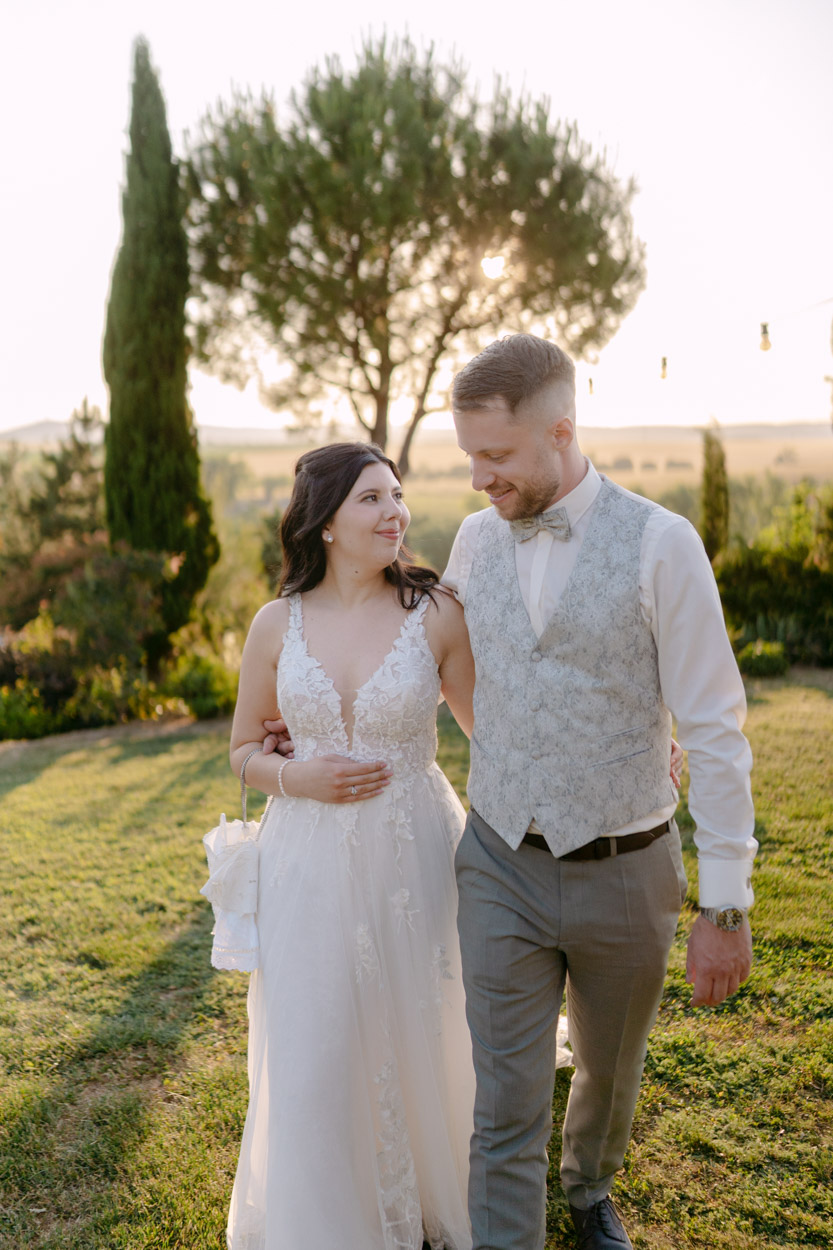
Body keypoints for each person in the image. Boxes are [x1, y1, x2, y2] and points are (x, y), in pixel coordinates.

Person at [443, 333, 756, 1250]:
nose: (478, 479)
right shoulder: (471, 539)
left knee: (608, 1072)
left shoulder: (662, 543)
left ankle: (587, 1189)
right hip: (498, 859)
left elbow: (713, 729)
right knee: (502, 1103)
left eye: (495, 455)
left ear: (561, 432)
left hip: (627, 867)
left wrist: (725, 905)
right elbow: (436, 662)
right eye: (468, 457)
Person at [225, 442, 478, 1250]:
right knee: (316, 1034)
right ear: (325, 522)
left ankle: (430, 1193)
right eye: (371, 498)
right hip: (302, 860)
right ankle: (328, 1214)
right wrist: (297, 777)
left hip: (414, 849)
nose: (394, 512)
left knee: (420, 1023)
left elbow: (495, 733)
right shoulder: (276, 623)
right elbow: (243, 752)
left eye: (397, 495)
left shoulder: (436, 612)